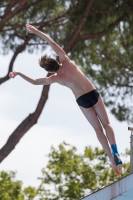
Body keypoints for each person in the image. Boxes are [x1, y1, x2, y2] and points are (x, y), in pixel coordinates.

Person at [9, 24, 122, 175]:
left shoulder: (55, 78)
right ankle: (116, 153)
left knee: (97, 129)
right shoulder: (68, 62)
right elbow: (52, 43)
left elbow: (35, 82)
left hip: (82, 100)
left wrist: (19, 73)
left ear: (49, 70)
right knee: (106, 124)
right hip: (92, 93)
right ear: (56, 60)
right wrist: (36, 31)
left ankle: (111, 159)